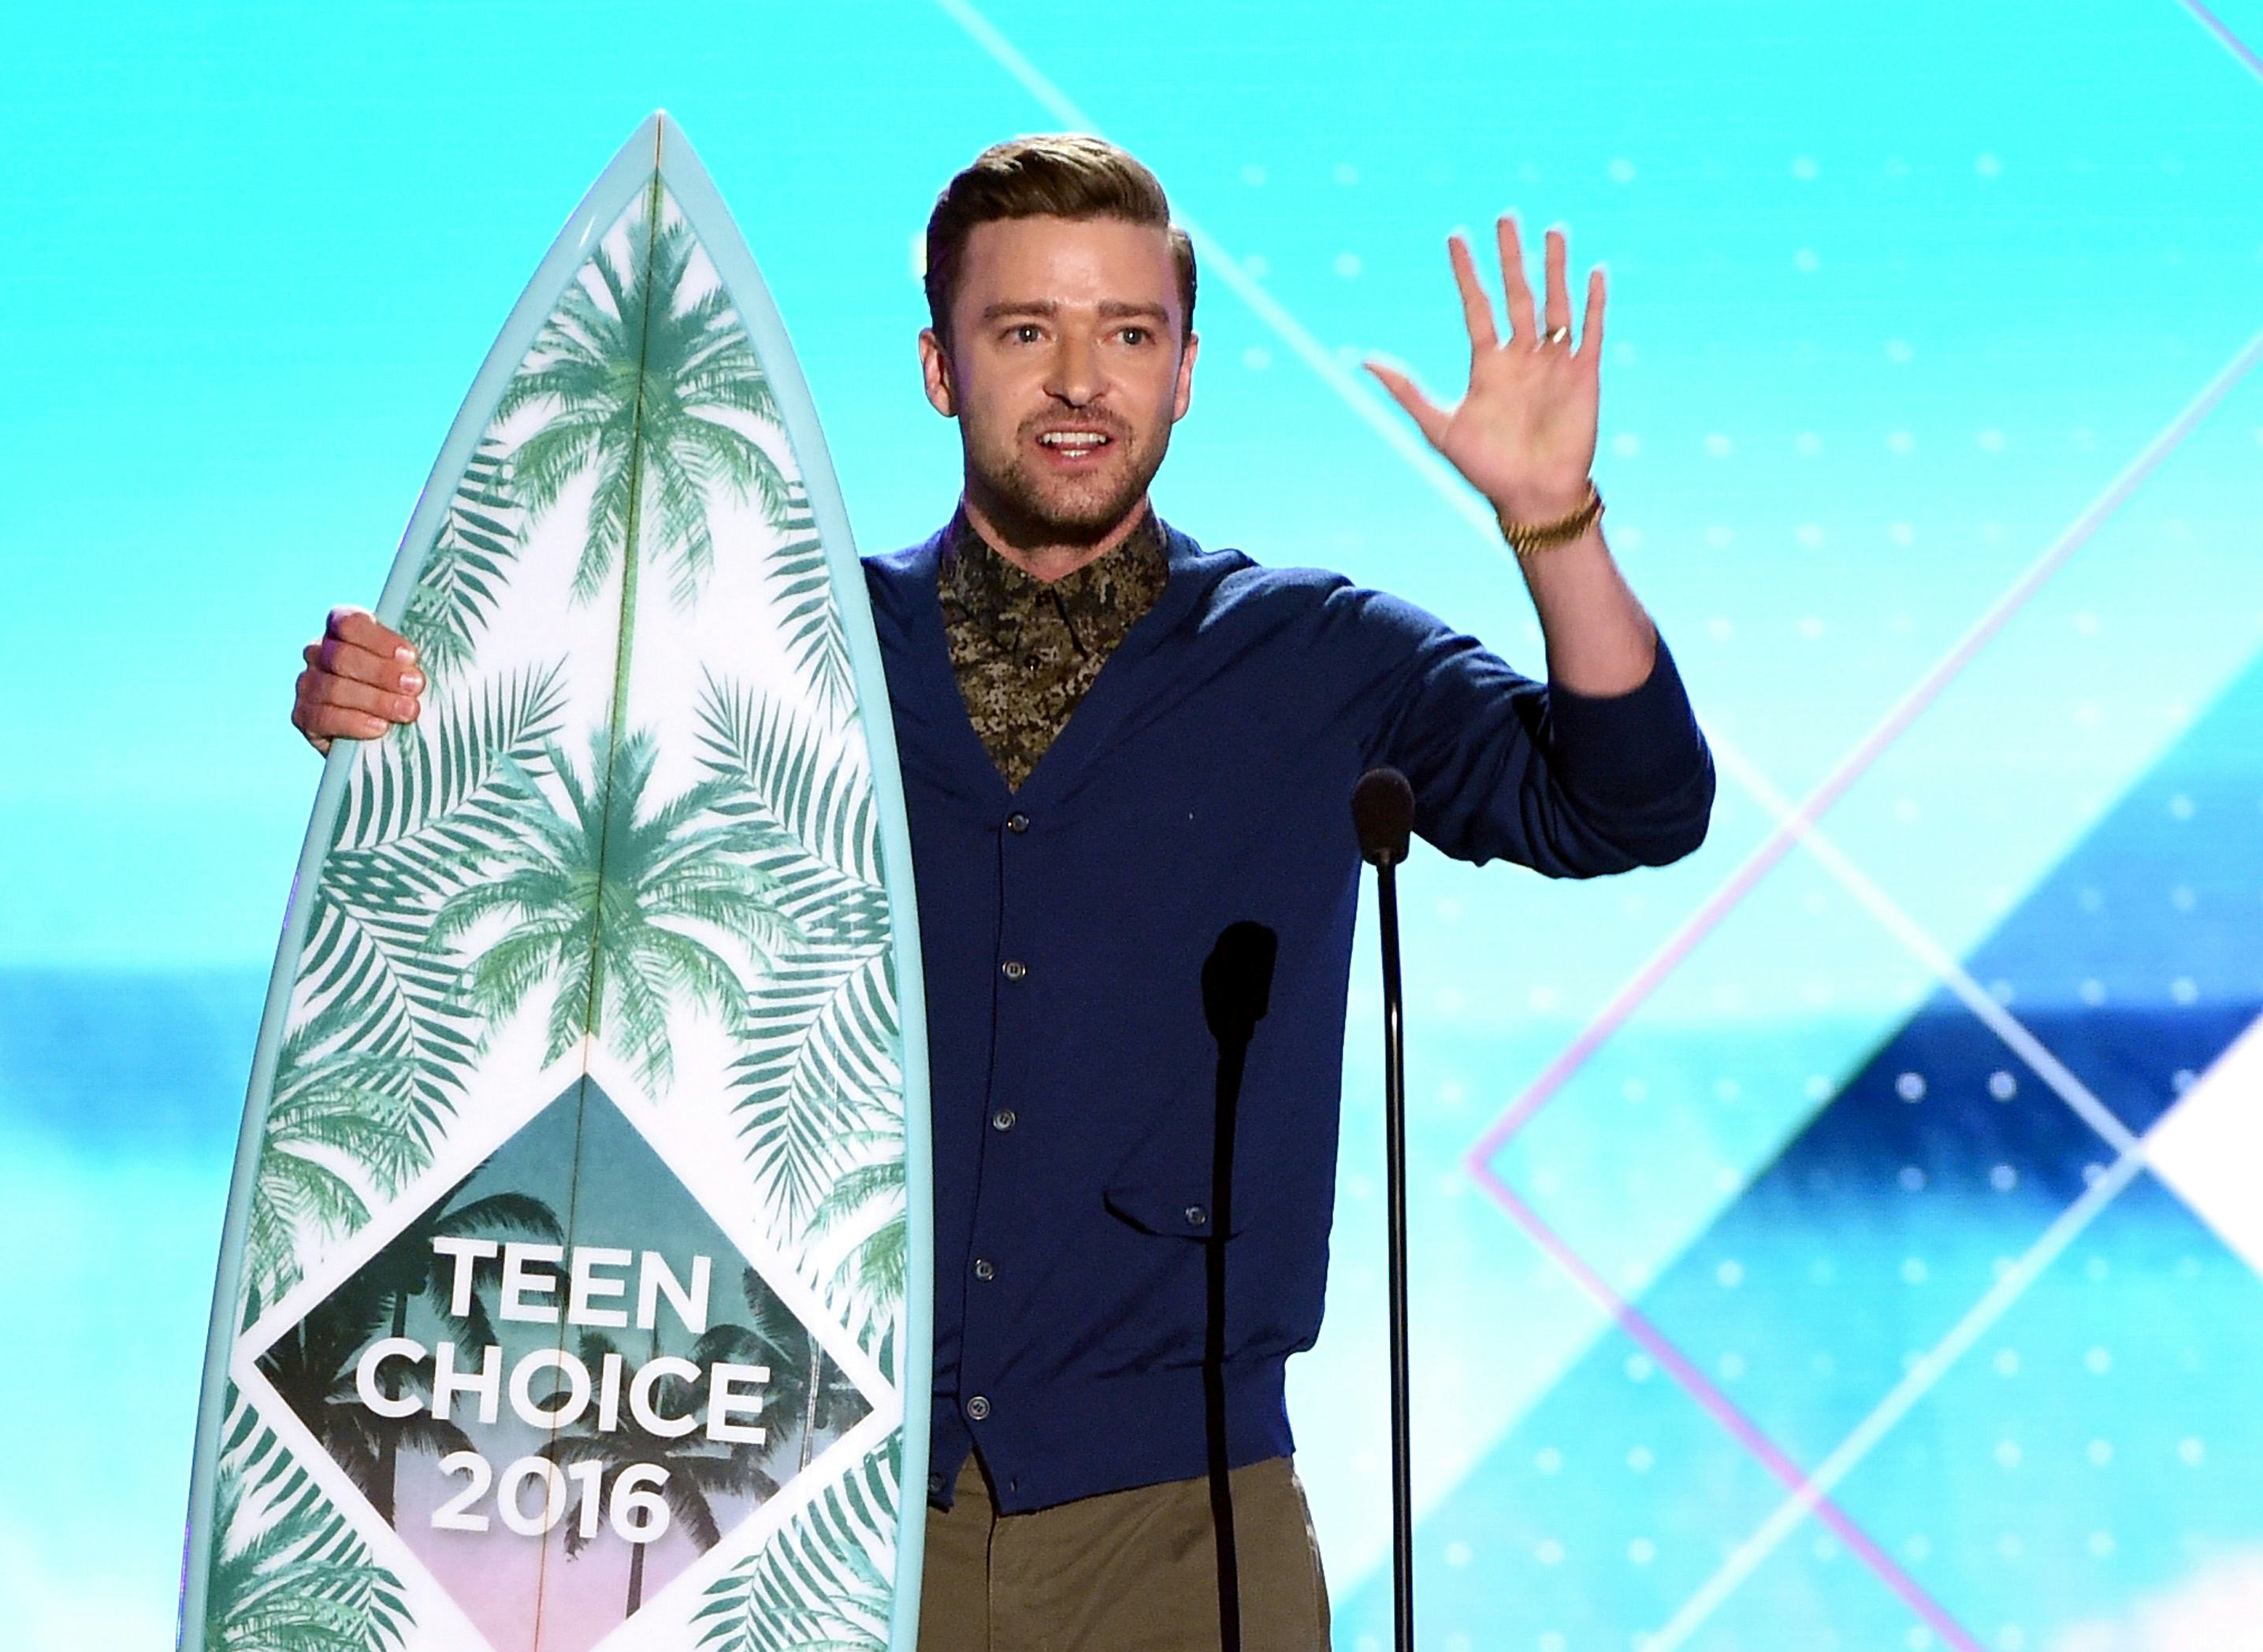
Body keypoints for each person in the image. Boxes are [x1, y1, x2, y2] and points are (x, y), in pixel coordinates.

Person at [289, 135, 1714, 1651]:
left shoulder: (1320, 658)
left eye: (1130, 334)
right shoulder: (787, 650)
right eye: (1026, 329)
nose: (1081, 380)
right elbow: (524, 808)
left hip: (1185, 1532)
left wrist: (1554, 519)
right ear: (940, 368)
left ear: (1185, 374)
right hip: (800, 1514)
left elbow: (1629, 802)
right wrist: (383, 711)